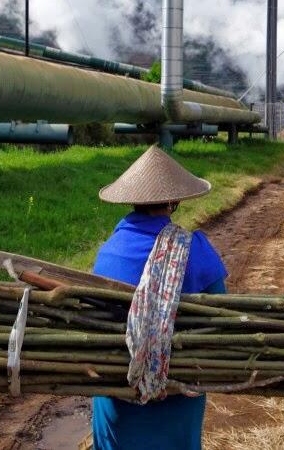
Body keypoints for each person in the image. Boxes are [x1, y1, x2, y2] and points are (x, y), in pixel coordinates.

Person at [90, 145, 227, 450]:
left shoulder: (107, 253)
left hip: (118, 393)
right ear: (175, 200)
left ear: (131, 199)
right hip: (176, 392)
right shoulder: (195, 251)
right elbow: (223, 317)